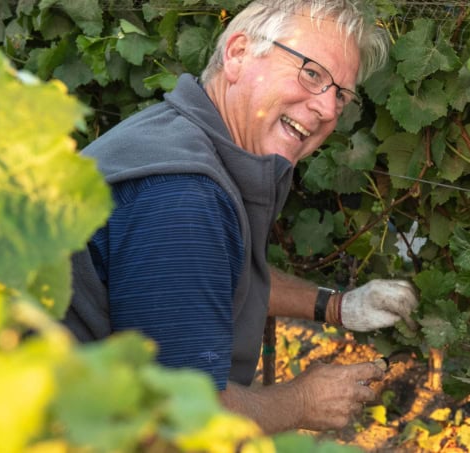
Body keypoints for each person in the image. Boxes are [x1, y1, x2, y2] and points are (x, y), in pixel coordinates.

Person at [65, 0, 418, 434]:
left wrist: (338, 306)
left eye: (341, 95)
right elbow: (178, 422)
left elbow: (211, 278)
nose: (328, 110)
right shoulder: (183, 197)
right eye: (312, 73)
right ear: (237, 54)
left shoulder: (180, 133)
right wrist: (302, 401)